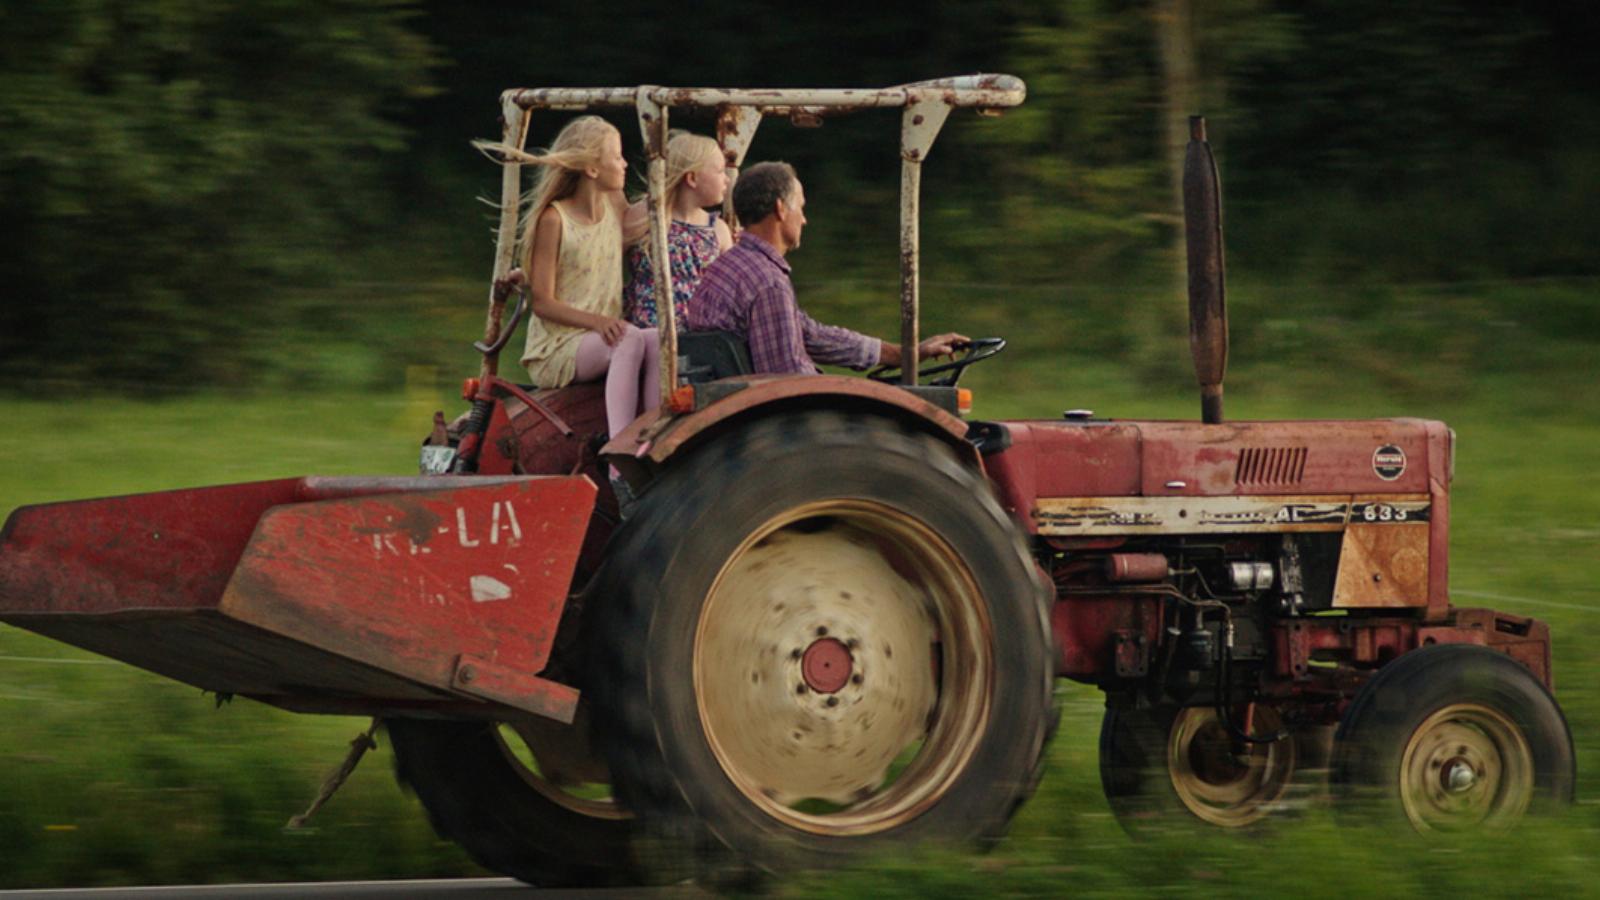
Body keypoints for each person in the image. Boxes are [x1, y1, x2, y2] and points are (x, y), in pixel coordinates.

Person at [689, 161, 967, 375]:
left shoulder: (730, 265)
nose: (805, 220)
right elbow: (785, 377)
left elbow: (810, 334)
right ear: (781, 209)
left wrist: (905, 354)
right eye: (800, 207)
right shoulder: (767, 283)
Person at [488, 116, 660, 440]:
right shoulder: (555, 219)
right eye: (617, 156)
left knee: (656, 339)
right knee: (631, 339)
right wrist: (596, 322)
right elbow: (543, 303)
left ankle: (651, 435)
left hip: (600, 337)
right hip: (558, 346)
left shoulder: (614, 205)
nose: (625, 164)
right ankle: (620, 448)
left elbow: (629, 233)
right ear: (592, 169)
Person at [623, 131, 734, 329]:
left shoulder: (718, 230)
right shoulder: (648, 216)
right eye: (719, 171)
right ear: (692, 178)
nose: (727, 179)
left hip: (700, 335)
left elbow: (731, 290)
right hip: (646, 333)